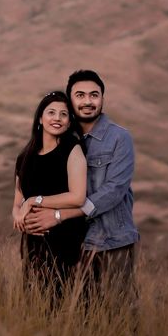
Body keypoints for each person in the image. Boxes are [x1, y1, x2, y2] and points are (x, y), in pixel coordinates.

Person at [24, 70, 140, 314]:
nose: (87, 101)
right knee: (84, 316)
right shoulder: (64, 137)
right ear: (71, 99)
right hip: (73, 244)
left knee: (120, 314)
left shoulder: (119, 138)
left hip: (111, 240)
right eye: (80, 95)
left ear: (102, 99)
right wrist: (24, 209)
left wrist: (59, 215)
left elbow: (114, 191)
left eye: (94, 95)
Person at [11, 90, 88, 302]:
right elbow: (18, 199)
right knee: (35, 301)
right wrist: (18, 216)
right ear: (40, 118)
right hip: (32, 243)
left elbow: (78, 196)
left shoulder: (72, 150)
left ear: (69, 121)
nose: (57, 118)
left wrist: (35, 201)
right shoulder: (24, 157)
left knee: (64, 300)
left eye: (64, 114)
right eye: (51, 112)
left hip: (66, 240)